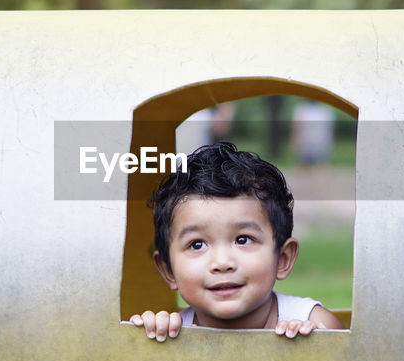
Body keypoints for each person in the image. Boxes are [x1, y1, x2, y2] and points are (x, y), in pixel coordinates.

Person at [130, 142, 343, 341]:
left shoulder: (315, 324)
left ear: (283, 258)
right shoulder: (170, 335)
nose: (222, 263)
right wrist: (151, 342)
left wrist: (314, 351)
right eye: (197, 244)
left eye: (243, 239)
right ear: (168, 270)